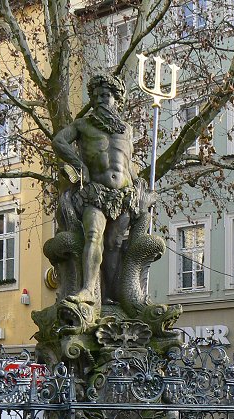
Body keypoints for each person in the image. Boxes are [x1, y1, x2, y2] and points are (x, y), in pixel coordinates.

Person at [51, 74, 148, 306]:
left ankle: (109, 295)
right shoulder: (83, 125)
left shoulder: (127, 130)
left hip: (124, 195)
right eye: (98, 96)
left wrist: (140, 186)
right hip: (95, 192)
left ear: (117, 99)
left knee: (114, 246)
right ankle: (87, 290)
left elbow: (127, 162)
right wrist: (78, 164)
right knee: (94, 236)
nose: (102, 100)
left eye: (107, 95)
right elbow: (59, 141)